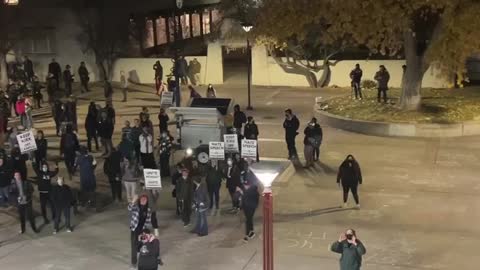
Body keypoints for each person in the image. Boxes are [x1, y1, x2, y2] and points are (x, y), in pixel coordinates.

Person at [128, 194, 159, 269]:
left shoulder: (148, 210)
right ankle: (134, 262)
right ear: (139, 200)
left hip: (142, 231)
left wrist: (149, 232)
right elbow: (129, 208)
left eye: (145, 200)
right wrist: (133, 200)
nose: (143, 201)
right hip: (134, 230)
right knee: (134, 246)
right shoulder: (136, 207)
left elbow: (148, 221)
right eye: (142, 199)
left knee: (142, 246)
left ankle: (143, 259)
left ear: (147, 201)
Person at [238, 178, 259, 242]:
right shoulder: (247, 191)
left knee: (248, 220)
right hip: (246, 208)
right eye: (244, 185)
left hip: (250, 208)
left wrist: (242, 193)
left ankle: (246, 236)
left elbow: (247, 198)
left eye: (246, 185)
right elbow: (244, 199)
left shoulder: (253, 191)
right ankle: (252, 232)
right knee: (249, 220)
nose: (245, 187)